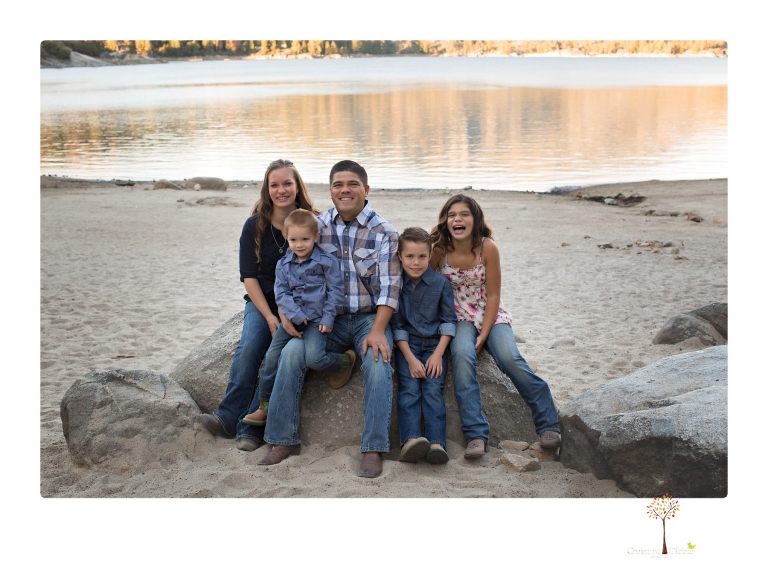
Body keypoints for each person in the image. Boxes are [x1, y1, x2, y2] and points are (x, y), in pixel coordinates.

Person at [257, 160, 402, 478]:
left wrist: (379, 330)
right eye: (338, 184)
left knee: (378, 364)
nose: (345, 190)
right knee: (291, 354)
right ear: (331, 190)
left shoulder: (384, 232)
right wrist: (285, 313)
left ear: (366, 189)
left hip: (367, 318)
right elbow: (290, 271)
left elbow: (391, 289)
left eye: (352, 184)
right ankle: (282, 439)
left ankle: (374, 448)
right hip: (324, 320)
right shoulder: (317, 226)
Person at [429, 194, 561, 459]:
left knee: (510, 357)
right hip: (457, 316)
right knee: (462, 356)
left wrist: (485, 334)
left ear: (475, 219)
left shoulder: (487, 248)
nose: (457, 219)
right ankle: (476, 434)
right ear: (445, 220)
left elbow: (493, 296)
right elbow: (428, 285)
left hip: (490, 313)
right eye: (452, 214)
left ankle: (549, 424)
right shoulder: (439, 249)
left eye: (464, 214)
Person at [199, 160, 318, 452]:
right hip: (262, 302)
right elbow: (249, 277)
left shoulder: (313, 222)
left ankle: (251, 429)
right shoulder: (254, 225)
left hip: (301, 307)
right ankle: (228, 417)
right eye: (274, 185)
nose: (281, 190)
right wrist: (268, 316)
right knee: (250, 347)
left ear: (297, 186)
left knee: (276, 357)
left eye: (287, 183)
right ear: (267, 189)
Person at [240, 208, 353, 426]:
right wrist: (295, 315)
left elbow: (336, 292)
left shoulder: (327, 262)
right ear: (286, 237)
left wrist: (328, 318)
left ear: (316, 237)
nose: (299, 245)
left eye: (305, 239)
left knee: (315, 358)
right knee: (271, 358)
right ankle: (265, 404)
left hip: (317, 321)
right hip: (292, 320)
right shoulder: (283, 265)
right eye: (293, 240)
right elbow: (281, 293)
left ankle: (343, 361)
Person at [390, 227, 456, 464]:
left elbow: (449, 321)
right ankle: (410, 441)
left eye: (421, 256)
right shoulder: (396, 285)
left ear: (430, 255)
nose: (415, 262)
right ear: (400, 256)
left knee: (432, 390)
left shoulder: (441, 284)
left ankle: (437, 443)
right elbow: (397, 325)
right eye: (409, 256)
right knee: (409, 389)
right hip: (407, 347)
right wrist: (410, 358)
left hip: (435, 347)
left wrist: (438, 354)